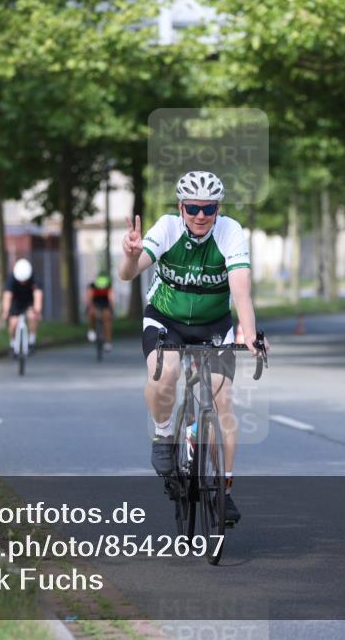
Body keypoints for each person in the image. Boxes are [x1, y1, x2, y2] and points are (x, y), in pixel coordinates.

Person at [118, 170, 262, 524]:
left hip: (214, 325)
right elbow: (128, 274)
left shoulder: (230, 232)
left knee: (222, 400)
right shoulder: (166, 227)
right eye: (193, 207)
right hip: (166, 320)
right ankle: (164, 436)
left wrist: (252, 333)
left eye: (209, 208)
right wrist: (130, 255)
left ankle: (224, 490)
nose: (201, 215)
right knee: (165, 371)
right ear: (181, 207)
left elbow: (240, 289)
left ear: (218, 209)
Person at [2, 259, 43, 355]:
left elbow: (38, 296)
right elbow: (7, 296)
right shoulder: (11, 279)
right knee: (13, 322)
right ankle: (12, 345)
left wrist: (37, 311)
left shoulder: (35, 279)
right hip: (16, 302)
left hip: (29, 302)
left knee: (32, 316)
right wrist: (6, 311)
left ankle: (31, 341)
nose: (22, 283)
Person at [86, 272, 114, 352]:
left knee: (107, 320)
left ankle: (108, 342)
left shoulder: (108, 286)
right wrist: (89, 306)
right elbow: (89, 297)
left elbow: (111, 297)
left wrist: (111, 307)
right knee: (91, 314)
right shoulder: (92, 286)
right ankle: (91, 330)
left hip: (105, 305)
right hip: (95, 304)